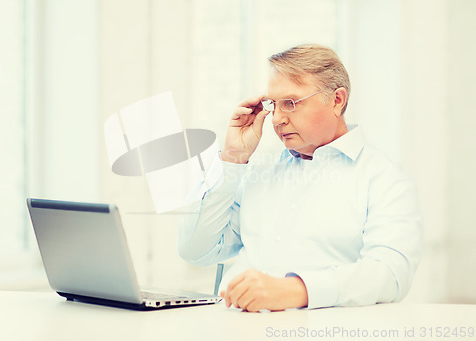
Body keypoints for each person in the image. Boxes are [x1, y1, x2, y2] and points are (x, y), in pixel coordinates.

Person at [178, 44, 423, 312]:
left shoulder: (384, 178)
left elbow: (391, 274)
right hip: (232, 329)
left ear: (337, 100)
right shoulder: (259, 170)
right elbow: (196, 250)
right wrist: (232, 158)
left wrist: (296, 290)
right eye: (275, 104)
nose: (277, 119)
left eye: (291, 103)